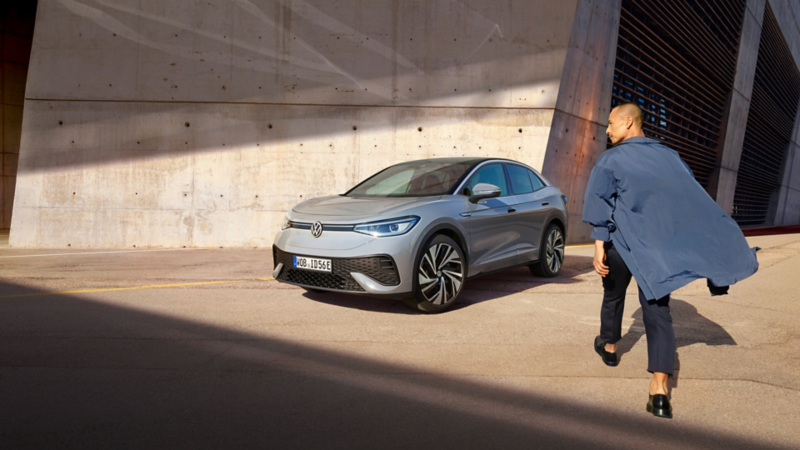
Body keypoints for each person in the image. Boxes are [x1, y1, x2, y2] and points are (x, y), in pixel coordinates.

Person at [582, 103, 759, 419]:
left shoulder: (610, 159)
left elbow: (601, 202)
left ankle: (609, 348)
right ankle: (660, 390)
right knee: (658, 312)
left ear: (628, 122)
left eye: (610, 124)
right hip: (657, 252)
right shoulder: (671, 158)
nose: (606, 130)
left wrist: (599, 244)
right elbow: (690, 200)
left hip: (620, 246)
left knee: (613, 294)